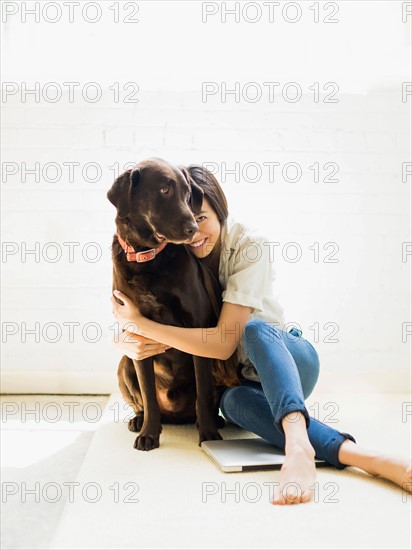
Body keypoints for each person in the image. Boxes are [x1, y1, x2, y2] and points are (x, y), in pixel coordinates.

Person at [111, 164, 412, 505]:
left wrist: (143, 326)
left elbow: (224, 342)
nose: (194, 231)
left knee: (252, 330)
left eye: (202, 218)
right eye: (187, 219)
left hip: (288, 358)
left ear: (220, 212)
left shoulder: (249, 245)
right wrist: (129, 333)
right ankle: (371, 459)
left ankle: (298, 444)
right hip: (243, 379)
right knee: (231, 402)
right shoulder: (178, 252)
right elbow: (134, 327)